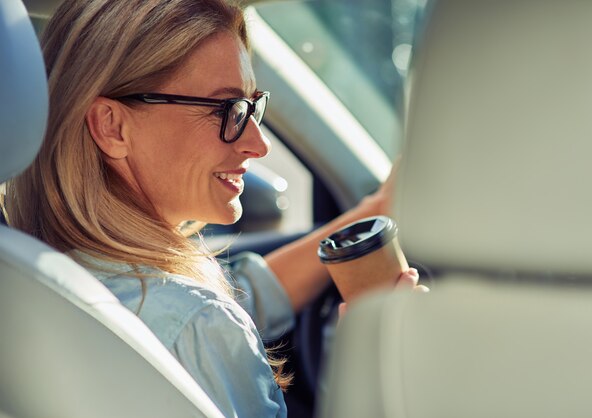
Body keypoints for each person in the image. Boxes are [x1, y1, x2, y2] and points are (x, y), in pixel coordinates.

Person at [4, 0, 421, 416]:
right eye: (228, 109)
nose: (259, 144)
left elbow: (231, 303)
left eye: (252, 107)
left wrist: (374, 208)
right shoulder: (197, 323)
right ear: (111, 127)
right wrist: (370, 375)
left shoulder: (33, 276)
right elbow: (200, 321)